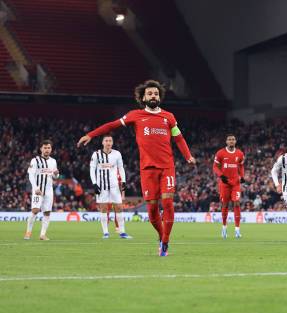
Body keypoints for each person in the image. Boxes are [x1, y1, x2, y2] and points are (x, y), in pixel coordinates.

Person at [77, 79, 196, 256]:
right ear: (143, 97)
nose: (153, 95)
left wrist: (188, 156)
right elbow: (112, 125)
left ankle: (165, 242)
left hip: (166, 167)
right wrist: (91, 135)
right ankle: (161, 235)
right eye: (150, 93)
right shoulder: (135, 115)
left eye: (156, 93)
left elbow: (178, 138)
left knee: (168, 202)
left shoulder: (168, 117)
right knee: (152, 209)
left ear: (159, 96)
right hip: (147, 169)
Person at [89, 135, 131, 239]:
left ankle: (122, 232)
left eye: (110, 141)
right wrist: (94, 183)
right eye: (106, 141)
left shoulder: (117, 154)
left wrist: (124, 181)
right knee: (103, 208)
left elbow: (121, 168)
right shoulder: (96, 154)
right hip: (101, 186)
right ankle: (106, 233)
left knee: (119, 207)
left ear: (112, 143)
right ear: (102, 143)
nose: (108, 143)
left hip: (114, 186)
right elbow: (92, 169)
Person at [24, 139, 59, 240]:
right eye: (45, 148)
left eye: (49, 148)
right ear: (41, 149)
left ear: (51, 149)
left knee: (47, 212)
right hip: (38, 189)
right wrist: (35, 188)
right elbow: (31, 175)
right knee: (35, 210)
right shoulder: (35, 160)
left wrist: (56, 174)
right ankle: (28, 232)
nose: (47, 150)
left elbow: (54, 176)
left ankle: (42, 235)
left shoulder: (53, 161)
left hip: (49, 190)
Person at [213, 134, 245, 239]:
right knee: (225, 205)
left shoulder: (240, 154)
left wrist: (242, 176)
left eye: (233, 139)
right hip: (225, 184)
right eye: (229, 140)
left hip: (235, 183)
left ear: (235, 141)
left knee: (236, 203)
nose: (231, 141)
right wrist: (221, 175)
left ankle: (237, 230)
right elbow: (215, 167)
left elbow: (240, 166)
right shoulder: (220, 153)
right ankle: (224, 227)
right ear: (226, 142)